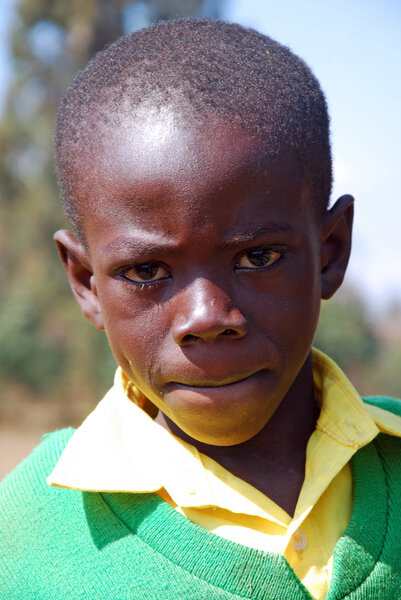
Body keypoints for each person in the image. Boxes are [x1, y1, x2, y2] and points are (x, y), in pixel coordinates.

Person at [1, 18, 400, 600]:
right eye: (145, 272)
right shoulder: (25, 537)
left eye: (258, 256)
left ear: (330, 253)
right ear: (86, 281)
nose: (208, 317)